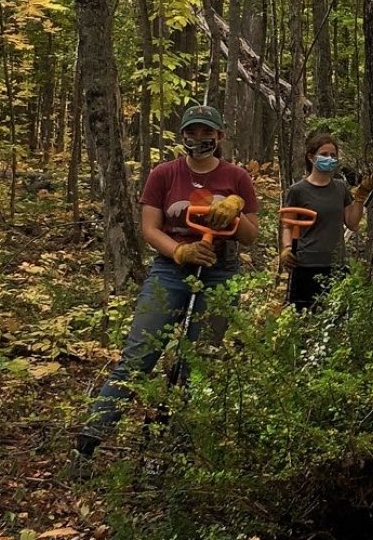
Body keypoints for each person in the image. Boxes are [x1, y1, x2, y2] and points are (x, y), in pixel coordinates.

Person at [70, 105, 259, 473]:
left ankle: (176, 451)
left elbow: (251, 234)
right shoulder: (164, 174)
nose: (199, 139)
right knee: (140, 355)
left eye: (207, 133)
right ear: (183, 135)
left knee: (198, 363)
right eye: (192, 132)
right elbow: (150, 228)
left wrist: (234, 213)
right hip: (170, 271)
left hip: (219, 272)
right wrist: (181, 251)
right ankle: (87, 445)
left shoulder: (237, 177)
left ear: (219, 137)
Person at [279, 133, 373, 311]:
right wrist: (286, 249)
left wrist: (360, 197)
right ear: (311, 157)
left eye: (333, 155)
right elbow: (288, 225)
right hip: (305, 264)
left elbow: (352, 223)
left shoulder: (339, 187)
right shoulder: (298, 190)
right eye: (324, 154)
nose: (329, 159)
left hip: (335, 264)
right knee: (303, 316)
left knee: (335, 318)